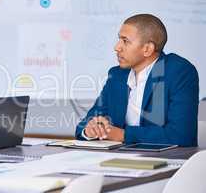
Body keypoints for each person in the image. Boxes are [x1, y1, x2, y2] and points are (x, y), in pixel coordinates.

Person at [75, 14, 199, 147]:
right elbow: (83, 126)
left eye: (125, 41)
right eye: (119, 39)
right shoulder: (117, 75)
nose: (117, 47)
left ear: (147, 49)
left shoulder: (179, 71)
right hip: (119, 159)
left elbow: (181, 136)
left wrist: (122, 135)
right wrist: (90, 130)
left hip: (165, 160)